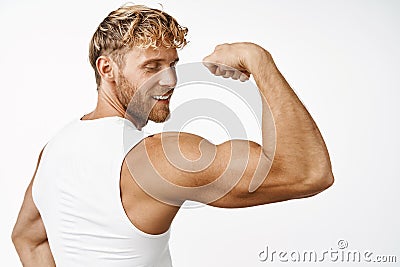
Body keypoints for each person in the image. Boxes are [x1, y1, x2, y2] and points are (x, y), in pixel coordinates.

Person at [11, 4, 334, 267]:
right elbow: (308, 173)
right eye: (152, 67)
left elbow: (29, 237)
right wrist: (258, 60)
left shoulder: (55, 148)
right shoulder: (159, 157)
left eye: (172, 64)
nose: (170, 80)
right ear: (106, 69)